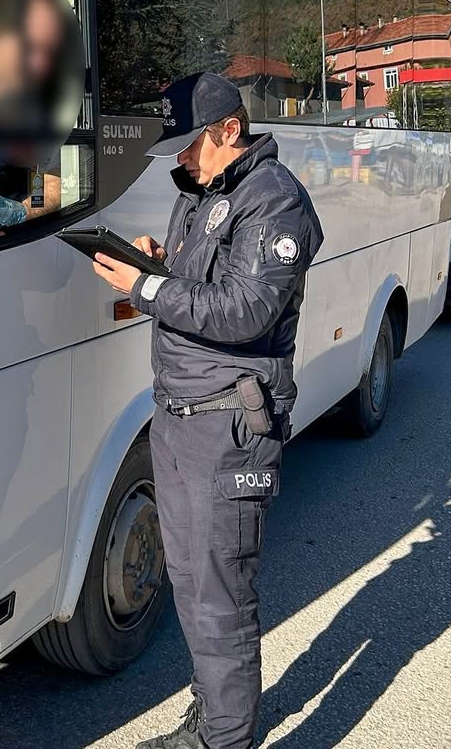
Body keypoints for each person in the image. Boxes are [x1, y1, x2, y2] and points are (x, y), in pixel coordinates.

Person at [92, 72, 323, 749]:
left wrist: (145, 285)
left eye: (189, 145)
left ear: (229, 130)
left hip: (227, 426)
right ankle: (213, 721)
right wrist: (163, 265)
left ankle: (224, 741)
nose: (180, 160)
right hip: (181, 416)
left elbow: (248, 311)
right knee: (192, 587)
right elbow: (207, 284)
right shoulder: (205, 192)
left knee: (220, 596)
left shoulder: (274, 201)